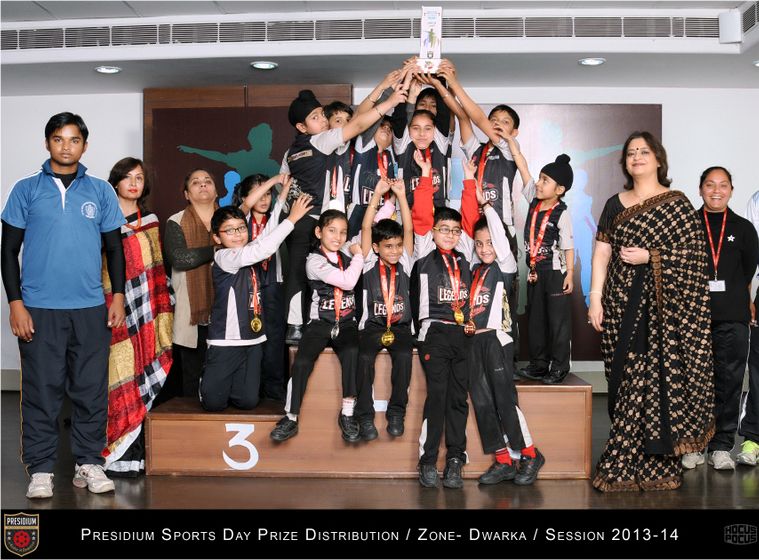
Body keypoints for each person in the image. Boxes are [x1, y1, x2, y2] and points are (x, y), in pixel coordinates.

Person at [1, 112, 126, 498]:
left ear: (84, 146)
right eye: (58, 139)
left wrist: (118, 296)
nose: (66, 146)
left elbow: (114, 249)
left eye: (74, 140)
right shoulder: (26, 189)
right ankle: (41, 469)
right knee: (42, 389)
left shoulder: (101, 191)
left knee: (90, 389)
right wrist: (16, 303)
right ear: (47, 143)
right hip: (38, 308)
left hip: (90, 307)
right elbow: (8, 251)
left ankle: (89, 462)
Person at [588, 131, 714, 492]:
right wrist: (594, 297)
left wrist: (651, 256)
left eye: (644, 151)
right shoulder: (614, 204)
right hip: (620, 303)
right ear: (625, 162)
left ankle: (658, 461)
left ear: (658, 159)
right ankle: (623, 456)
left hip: (665, 313)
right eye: (631, 153)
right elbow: (602, 253)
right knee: (625, 378)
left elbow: (694, 258)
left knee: (658, 379)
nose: (637, 157)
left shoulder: (677, 204)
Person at [280, 86, 407, 344]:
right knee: (305, 271)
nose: (323, 121)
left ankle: (309, 324)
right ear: (302, 127)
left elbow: (284, 182)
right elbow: (359, 122)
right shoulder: (320, 141)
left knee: (316, 271)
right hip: (313, 219)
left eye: (322, 115)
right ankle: (300, 325)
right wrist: (390, 98)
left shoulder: (296, 149)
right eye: (316, 117)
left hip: (317, 219)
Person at [459, 158, 545, 486]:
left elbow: (494, 233)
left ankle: (530, 454)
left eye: (490, 243)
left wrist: (487, 206)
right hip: (474, 340)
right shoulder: (473, 268)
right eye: (480, 244)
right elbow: (468, 229)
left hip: (498, 340)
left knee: (504, 400)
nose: (484, 249)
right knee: (481, 401)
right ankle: (503, 459)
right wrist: (469, 184)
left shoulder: (505, 267)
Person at [200, 192, 313, 412]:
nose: (237, 234)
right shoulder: (224, 257)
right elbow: (264, 248)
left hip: (253, 339)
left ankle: (232, 386)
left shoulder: (246, 250)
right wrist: (292, 219)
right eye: (229, 230)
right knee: (214, 404)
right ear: (217, 238)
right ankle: (207, 382)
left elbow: (265, 236)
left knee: (247, 402)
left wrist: (281, 200)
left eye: (241, 228)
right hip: (227, 341)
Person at [680, 167, 758, 471]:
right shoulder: (687, 225)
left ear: (731, 191)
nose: (716, 191)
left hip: (733, 318)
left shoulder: (744, 228)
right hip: (693, 318)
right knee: (693, 383)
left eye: (723, 185)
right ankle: (693, 445)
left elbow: (748, 269)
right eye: (710, 185)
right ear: (700, 189)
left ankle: (721, 446)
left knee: (730, 381)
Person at [102, 157, 174, 477]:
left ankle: (135, 458)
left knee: (143, 375)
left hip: (147, 310)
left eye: (140, 178)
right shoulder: (102, 219)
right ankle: (112, 453)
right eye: (127, 177)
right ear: (115, 181)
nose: (133, 183)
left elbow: (156, 270)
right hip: (113, 308)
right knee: (118, 376)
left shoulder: (152, 221)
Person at [270, 210, 368, 443]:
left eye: (343, 232)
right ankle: (291, 417)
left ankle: (347, 413)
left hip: (346, 322)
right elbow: (347, 282)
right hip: (320, 322)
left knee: (352, 352)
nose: (338, 237)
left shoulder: (347, 251)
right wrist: (359, 256)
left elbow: (367, 226)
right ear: (318, 232)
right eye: (331, 230)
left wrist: (384, 201)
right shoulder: (314, 261)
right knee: (302, 361)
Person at [410, 149, 473, 489]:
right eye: (443, 229)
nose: (450, 234)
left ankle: (455, 460)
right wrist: (425, 176)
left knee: (458, 399)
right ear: (433, 232)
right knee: (437, 396)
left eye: (454, 230)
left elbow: (471, 217)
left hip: (462, 333)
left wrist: (470, 181)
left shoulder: (465, 257)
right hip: (433, 332)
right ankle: (427, 460)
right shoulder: (423, 252)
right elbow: (421, 213)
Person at [355, 178, 415, 440]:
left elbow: (409, 230)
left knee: (404, 359)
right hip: (372, 326)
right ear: (376, 248)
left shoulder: (406, 262)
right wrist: (377, 195)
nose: (395, 251)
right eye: (388, 246)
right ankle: (365, 416)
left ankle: (396, 412)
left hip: (400, 326)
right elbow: (365, 227)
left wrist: (400, 196)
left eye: (398, 246)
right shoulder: (369, 262)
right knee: (363, 360)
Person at [516, 154, 575, 385]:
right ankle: (539, 365)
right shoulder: (534, 200)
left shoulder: (562, 213)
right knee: (536, 320)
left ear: (559, 189)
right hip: (535, 272)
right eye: (540, 178)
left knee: (557, 322)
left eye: (545, 180)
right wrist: (511, 143)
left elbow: (568, 246)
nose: (538, 183)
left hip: (555, 273)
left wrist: (570, 274)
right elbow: (523, 167)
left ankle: (559, 367)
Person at [233, 174, 291, 401]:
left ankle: (274, 388)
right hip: (246, 283)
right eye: (260, 193)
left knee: (274, 336)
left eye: (268, 194)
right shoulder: (240, 219)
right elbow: (246, 205)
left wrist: (282, 190)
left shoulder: (276, 216)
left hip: (272, 281)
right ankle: (249, 387)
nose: (264, 199)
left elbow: (281, 204)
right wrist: (273, 181)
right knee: (248, 334)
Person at [164, 169, 218, 399]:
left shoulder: (229, 220)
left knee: (222, 374)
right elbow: (180, 259)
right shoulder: (176, 221)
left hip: (225, 309)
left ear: (216, 191)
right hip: (191, 312)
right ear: (187, 194)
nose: (203, 184)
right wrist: (217, 249)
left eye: (208, 181)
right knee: (192, 376)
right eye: (196, 182)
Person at [741, 189, 759, 466]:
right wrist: (748, 298)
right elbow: (750, 256)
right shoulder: (757, 200)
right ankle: (753, 438)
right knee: (757, 370)